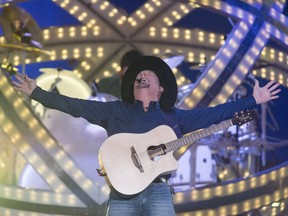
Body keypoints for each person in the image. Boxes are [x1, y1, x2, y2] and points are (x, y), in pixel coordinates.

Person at [13, 56, 281, 216]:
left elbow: (213, 114)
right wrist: (37, 93)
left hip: (158, 191)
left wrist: (252, 100)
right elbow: (75, 106)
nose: (141, 76)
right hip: (121, 195)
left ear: (160, 88)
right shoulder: (115, 111)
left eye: (147, 75)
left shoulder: (173, 118)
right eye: (138, 75)